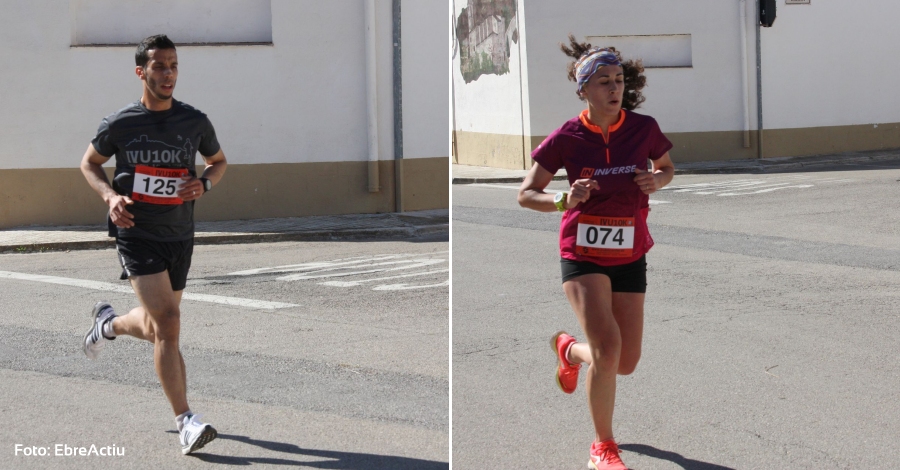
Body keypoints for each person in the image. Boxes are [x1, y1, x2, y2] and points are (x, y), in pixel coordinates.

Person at [517, 36, 675, 470]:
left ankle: (569, 350)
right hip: (582, 252)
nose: (614, 88)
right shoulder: (566, 137)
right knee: (607, 351)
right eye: (603, 81)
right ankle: (603, 447)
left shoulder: (643, 128)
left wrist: (657, 182)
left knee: (624, 362)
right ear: (583, 89)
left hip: (630, 250)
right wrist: (564, 199)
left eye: (618, 80)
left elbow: (666, 168)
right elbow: (526, 194)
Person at [79, 34, 228, 455]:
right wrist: (110, 197)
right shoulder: (120, 123)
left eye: (174, 65)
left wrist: (204, 183)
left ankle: (107, 324)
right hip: (136, 232)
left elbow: (219, 162)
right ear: (141, 72)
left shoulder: (194, 121)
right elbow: (89, 163)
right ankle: (186, 421)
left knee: (154, 325)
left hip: (180, 233)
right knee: (169, 321)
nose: (168, 74)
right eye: (160, 66)